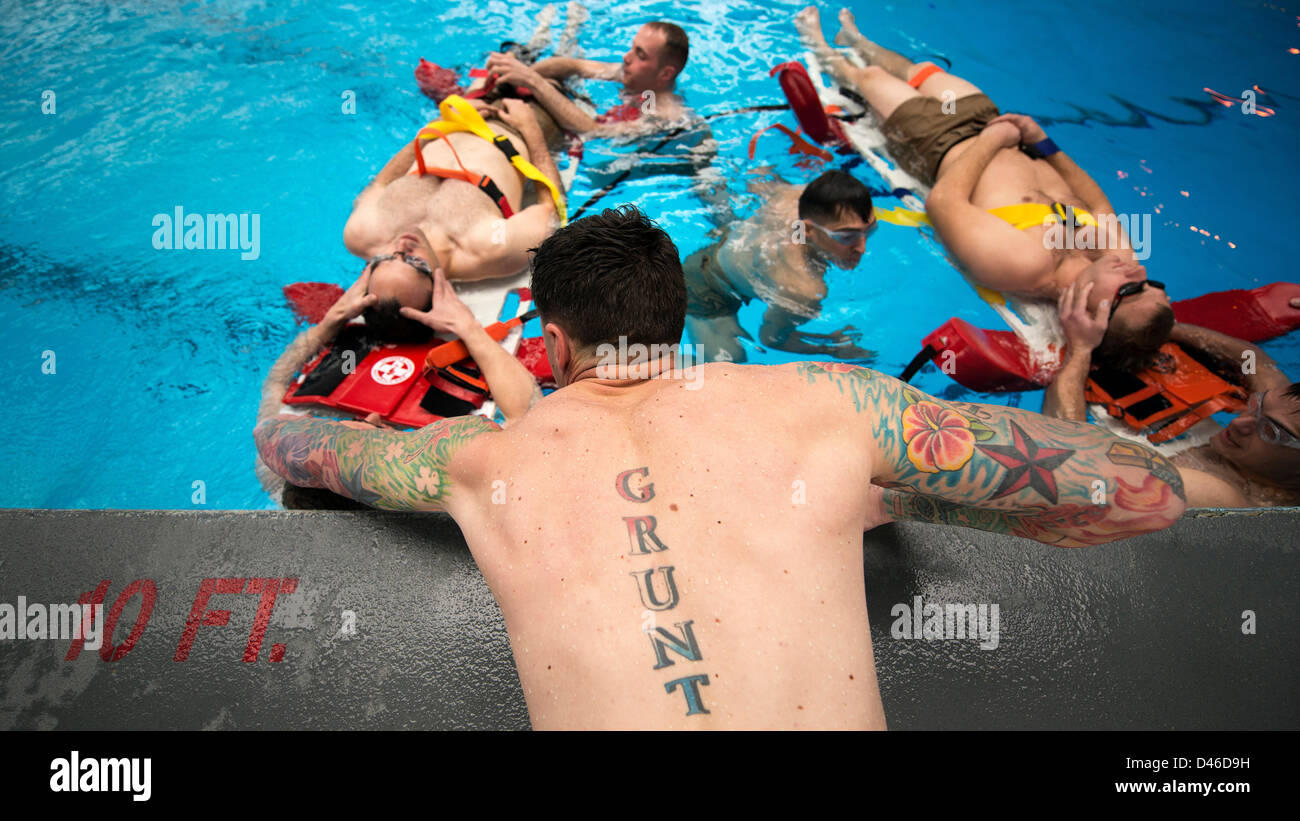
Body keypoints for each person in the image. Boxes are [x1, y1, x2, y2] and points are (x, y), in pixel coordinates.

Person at [255, 205, 1186, 729]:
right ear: (672, 317)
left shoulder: (477, 460)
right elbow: (1146, 495)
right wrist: (917, 492)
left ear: (551, 337)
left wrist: (308, 351)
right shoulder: (827, 403)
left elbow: (293, 448)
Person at [795, 7, 1174, 373]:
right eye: (1148, 282)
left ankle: (823, 49)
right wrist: (1045, 145)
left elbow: (944, 201)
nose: (1136, 269)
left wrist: (993, 140)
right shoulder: (1116, 256)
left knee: (871, 78)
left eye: (1130, 289)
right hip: (1001, 127)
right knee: (922, 71)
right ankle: (856, 38)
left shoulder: (1020, 265)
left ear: (1090, 312)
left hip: (937, 141)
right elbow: (1097, 202)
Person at [255, 263, 541, 508]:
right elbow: (532, 420)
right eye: (375, 432)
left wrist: (328, 323)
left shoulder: (279, 485)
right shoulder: (459, 491)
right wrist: (468, 327)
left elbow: (276, 388)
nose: (373, 415)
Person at [1045, 284, 1300, 507]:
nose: (1240, 422)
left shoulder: (1219, 495)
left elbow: (1074, 471)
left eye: (1270, 431)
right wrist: (1159, 331)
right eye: (1256, 406)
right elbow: (1255, 362)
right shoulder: (1285, 413)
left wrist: (1079, 351)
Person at [343, 97, 565, 342]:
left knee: (497, 63)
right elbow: (552, 208)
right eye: (416, 263)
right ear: (440, 292)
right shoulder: (490, 249)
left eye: (385, 258)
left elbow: (381, 182)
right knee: (554, 73)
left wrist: (433, 129)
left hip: (456, 113)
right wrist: (530, 128)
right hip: (515, 128)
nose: (402, 245)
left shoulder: (361, 233)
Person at [684, 169, 877, 362]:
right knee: (728, 367)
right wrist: (831, 347)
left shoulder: (794, 197)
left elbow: (757, 176)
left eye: (870, 231)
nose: (862, 248)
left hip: (726, 244)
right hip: (705, 290)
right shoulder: (804, 288)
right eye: (847, 236)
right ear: (808, 229)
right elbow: (770, 338)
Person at [483, 19, 692, 137]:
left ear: (665, 74)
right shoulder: (637, 76)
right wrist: (524, 73)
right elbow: (573, 65)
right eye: (631, 47)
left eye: (641, 54)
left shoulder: (663, 115)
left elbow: (594, 131)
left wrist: (532, 81)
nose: (626, 57)